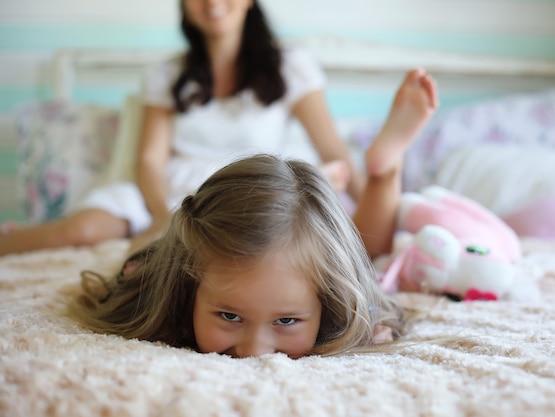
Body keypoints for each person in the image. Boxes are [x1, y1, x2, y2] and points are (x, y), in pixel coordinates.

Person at [73, 68, 439, 358]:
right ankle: (359, 179)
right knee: (155, 238)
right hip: (198, 211)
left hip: (289, 209)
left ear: (326, 307)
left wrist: (366, 327)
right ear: (189, 293)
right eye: (230, 316)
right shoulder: (160, 283)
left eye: (286, 320)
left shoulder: (289, 68)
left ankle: (385, 170)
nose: (254, 351)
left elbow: (368, 305)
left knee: (363, 255)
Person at [0, 0, 363, 257]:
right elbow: (149, 162)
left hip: (245, 194)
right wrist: (164, 217)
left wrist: (378, 208)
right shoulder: (166, 74)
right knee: (81, 230)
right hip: (165, 194)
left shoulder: (291, 67)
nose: (211, 2)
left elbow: (334, 152)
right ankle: (12, 239)